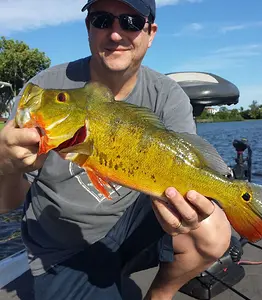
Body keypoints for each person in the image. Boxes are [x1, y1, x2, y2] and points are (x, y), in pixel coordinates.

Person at [0, 0, 231, 299]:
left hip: (132, 223)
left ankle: (159, 295)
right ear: (88, 27)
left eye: (131, 22)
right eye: (102, 20)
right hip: (65, 249)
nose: (115, 34)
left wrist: (190, 208)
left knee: (212, 233)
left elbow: (188, 167)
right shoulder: (46, 90)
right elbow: (6, 204)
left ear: (151, 32)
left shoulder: (167, 94)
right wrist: (5, 164)